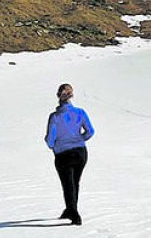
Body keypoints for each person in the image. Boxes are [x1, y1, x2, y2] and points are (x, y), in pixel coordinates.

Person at [45, 83, 95, 225]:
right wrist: (79, 139)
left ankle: (74, 214)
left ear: (58, 96)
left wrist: (55, 146)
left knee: (68, 184)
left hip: (63, 154)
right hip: (80, 153)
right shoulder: (80, 112)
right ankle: (70, 209)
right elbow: (90, 131)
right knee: (74, 182)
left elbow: (50, 140)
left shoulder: (55, 117)